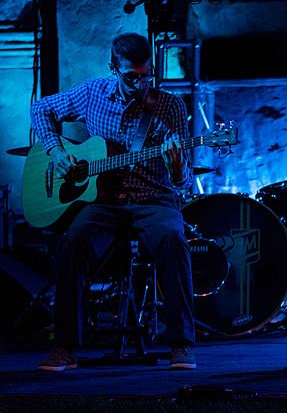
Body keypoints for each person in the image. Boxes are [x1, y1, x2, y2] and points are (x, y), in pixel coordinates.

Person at [31, 32, 196, 371]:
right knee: (74, 241)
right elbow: (40, 108)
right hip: (104, 201)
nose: (140, 83)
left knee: (172, 238)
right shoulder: (92, 93)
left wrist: (177, 164)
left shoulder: (170, 107)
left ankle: (181, 344)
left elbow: (184, 183)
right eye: (131, 76)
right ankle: (64, 347)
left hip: (154, 199)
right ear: (113, 69)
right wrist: (56, 151)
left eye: (146, 75)